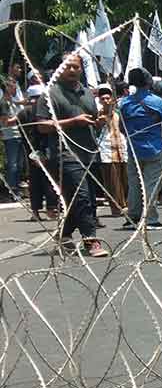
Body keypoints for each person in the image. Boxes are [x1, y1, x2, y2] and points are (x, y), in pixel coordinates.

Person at [35, 53, 108, 255]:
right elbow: (42, 126)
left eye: (76, 66)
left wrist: (100, 120)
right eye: (68, 66)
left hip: (89, 152)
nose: (73, 70)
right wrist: (72, 122)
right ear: (60, 69)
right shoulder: (49, 95)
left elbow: (94, 123)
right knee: (82, 196)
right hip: (65, 153)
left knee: (84, 197)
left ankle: (65, 233)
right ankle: (91, 241)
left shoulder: (87, 94)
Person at [119, 68, 162, 230]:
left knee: (134, 184)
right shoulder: (156, 101)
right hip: (154, 148)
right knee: (151, 184)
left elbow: (121, 127)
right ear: (148, 81)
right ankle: (150, 219)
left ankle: (133, 217)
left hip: (133, 150)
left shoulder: (125, 103)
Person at [17, 84, 58, 221]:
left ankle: (35, 211)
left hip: (29, 151)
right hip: (45, 149)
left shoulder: (22, 112)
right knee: (49, 179)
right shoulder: (44, 109)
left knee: (34, 181)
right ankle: (51, 209)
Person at [95, 83, 128, 218]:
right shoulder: (98, 115)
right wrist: (100, 122)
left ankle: (125, 204)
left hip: (121, 148)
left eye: (108, 98)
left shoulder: (118, 113)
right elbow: (96, 131)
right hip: (107, 150)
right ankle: (115, 207)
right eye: (103, 99)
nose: (106, 101)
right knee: (112, 181)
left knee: (124, 179)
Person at [1, 77, 23, 201]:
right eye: (13, 86)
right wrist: (20, 117)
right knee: (13, 165)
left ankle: (17, 188)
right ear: (8, 88)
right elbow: (5, 123)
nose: (15, 88)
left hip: (19, 135)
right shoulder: (4, 103)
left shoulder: (12, 102)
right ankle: (12, 191)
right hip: (11, 137)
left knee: (19, 165)